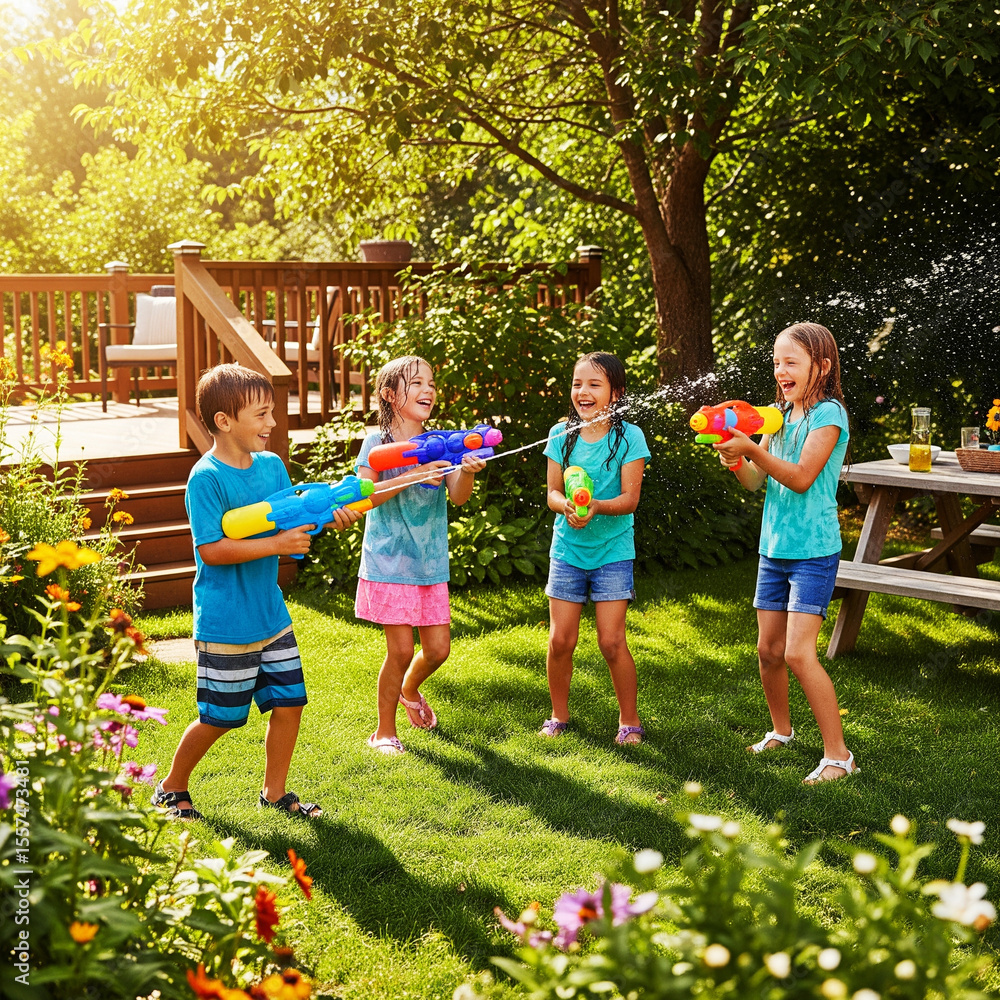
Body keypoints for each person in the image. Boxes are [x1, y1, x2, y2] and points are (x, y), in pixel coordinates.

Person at [152, 363, 361, 820]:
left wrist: (328, 517)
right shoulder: (206, 478)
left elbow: (290, 519)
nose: (273, 423)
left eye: (273, 413)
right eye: (262, 415)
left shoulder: (272, 466)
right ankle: (171, 785)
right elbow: (210, 549)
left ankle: (274, 792)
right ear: (225, 421)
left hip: (271, 615)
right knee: (219, 717)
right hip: (227, 620)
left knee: (289, 703)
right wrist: (275, 545)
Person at [715, 322, 858, 784]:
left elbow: (799, 478)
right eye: (776, 361)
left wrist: (751, 453)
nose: (780, 370)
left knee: (798, 653)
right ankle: (782, 730)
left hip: (813, 550)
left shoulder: (828, 416)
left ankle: (839, 756)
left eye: (791, 362)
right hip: (773, 548)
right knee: (768, 650)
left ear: (822, 366)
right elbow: (756, 482)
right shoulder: (778, 416)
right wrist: (737, 458)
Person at [354, 355, 487, 756]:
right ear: (390, 395)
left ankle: (408, 688)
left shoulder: (441, 443)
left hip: (429, 562)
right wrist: (413, 473)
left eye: (431, 382)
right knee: (400, 650)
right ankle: (384, 732)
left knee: (438, 650)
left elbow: (458, 497)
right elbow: (364, 498)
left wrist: (466, 471)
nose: (428, 389)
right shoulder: (376, 443)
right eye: (416, 383)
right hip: (389, 560)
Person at [540, 351, 650, 745]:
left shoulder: (629, 437)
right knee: (560, 640)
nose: (583, 392)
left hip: (613, 552)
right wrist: (566, 506)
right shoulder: (560, 435)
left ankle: (629, 721)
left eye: (594, 384)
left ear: (615, 394)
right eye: (577, 384)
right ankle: (558, 715)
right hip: (568, 550)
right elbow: (553, 491)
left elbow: (630, 500)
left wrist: (596, 507)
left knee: (611, 640)